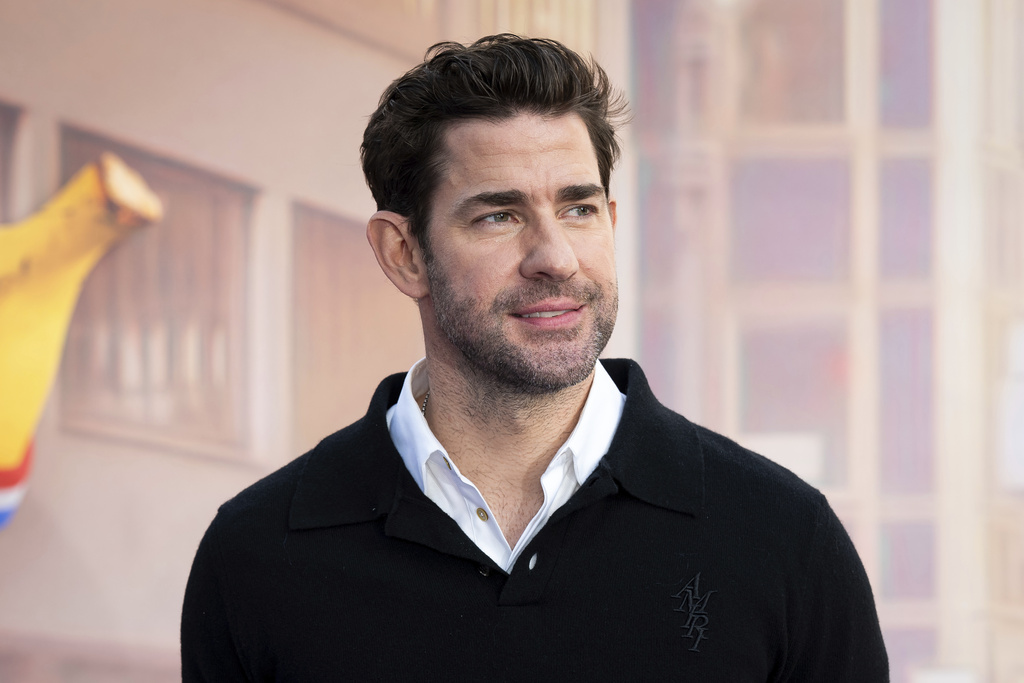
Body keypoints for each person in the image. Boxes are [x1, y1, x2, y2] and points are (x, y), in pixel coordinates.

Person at [181, 34, 888, 681]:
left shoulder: (784, 540)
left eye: (578, 209)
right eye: (499, 215)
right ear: (404, 254)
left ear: (610, 222)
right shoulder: (256, 556)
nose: (554, 257)